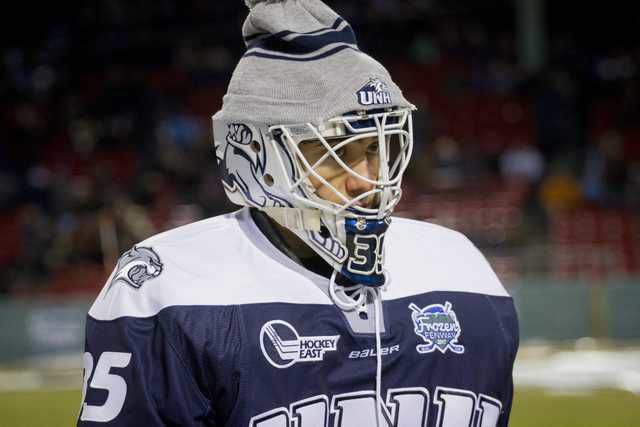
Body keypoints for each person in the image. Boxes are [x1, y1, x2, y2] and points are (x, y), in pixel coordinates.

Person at [78, 1, 518, 426]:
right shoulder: (170, 288)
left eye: (376, 148)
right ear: (256, 156)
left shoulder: (461, 268)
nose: (366, 179)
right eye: (333, 153)